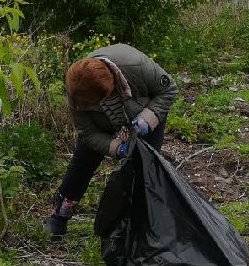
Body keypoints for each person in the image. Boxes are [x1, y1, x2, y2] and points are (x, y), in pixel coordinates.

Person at [44, 43, 177, 237]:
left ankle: (140, 225)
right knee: (82, 162)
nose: (97, 104)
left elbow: (168, 90)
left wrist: (146, 119)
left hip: (145, 112)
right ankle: (59, 216)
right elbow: (87, 132)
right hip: (102, 122)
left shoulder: (135, 65)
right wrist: (116, 148)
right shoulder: (77, 88)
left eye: (100, 99)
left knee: (145, 167)